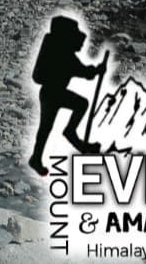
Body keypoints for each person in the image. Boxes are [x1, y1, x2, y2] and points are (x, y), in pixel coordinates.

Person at [28, 15, 103, 176]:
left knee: (46, 127)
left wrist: (95, 70)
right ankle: (69, 133)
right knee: (77, 106)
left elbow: (83, 71)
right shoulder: (64, 55)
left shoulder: (58, 50)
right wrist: (97, 70)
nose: (81, 43)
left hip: (51, 93)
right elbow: (85, 72)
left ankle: (38, 156)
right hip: (52, 94)